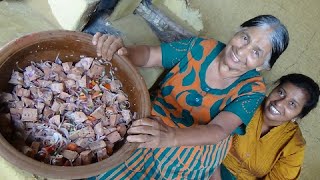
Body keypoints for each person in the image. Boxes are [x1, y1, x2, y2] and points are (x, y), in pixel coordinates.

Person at [90, 15, 289, 179]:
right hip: (155, 115)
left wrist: (171, 137)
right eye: (245, 37)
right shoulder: (201, 47)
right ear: (237, 31)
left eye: (256, 52)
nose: (242, 50)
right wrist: (122, 51)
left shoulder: (253, 89)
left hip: (197, 140)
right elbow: (150, 55)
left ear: (264, 65)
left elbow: (218, 129)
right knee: (112, 159)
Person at [211, 73, 320, 180]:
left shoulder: (294, 146)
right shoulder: (248, 101)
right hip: (210, 166)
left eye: (292, 104)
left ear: (297, 116)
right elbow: (212, 138)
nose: (279, 103)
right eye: (281, 92)